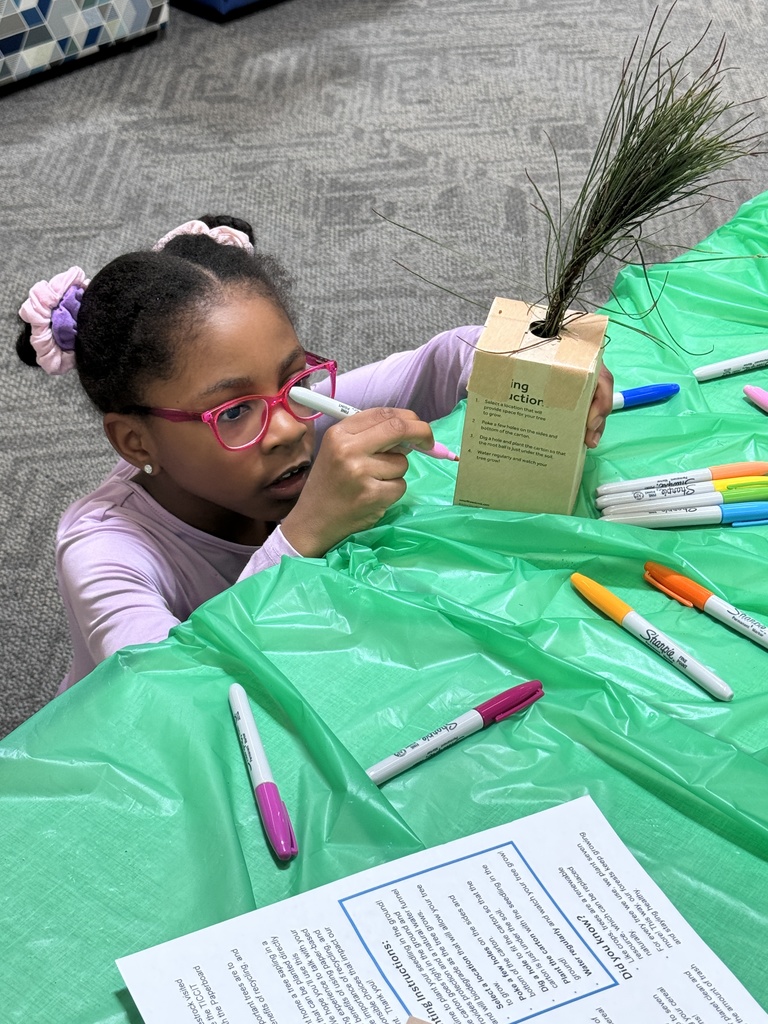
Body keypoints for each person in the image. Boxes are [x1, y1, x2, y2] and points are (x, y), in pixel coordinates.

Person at [16, 214, 614, 691]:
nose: (283, 427)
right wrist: (302, 534)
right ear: (136, 441)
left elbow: (445, 359)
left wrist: (534, 360)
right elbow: (171, 688)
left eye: (295, 379)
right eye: (233, 411)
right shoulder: (102, 549)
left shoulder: (303, 414)